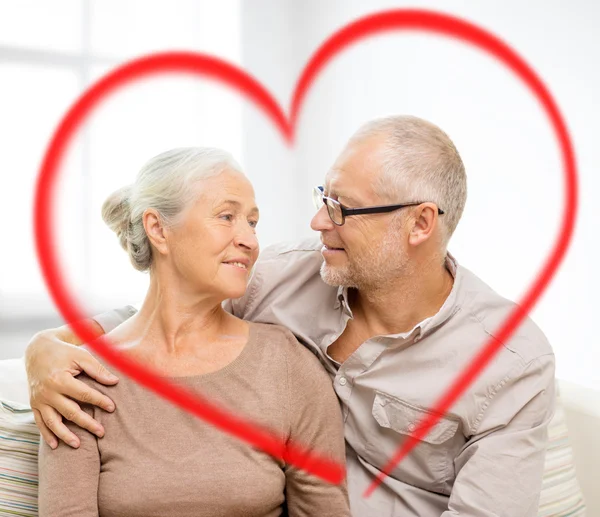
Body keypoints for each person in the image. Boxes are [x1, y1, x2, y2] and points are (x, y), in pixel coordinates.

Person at [27, 116, 555, 516]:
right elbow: (170, 312)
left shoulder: (510, 364)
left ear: (419, 224)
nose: (318, 220)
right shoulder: (285, 276)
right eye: (324, 196)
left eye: (342, 207)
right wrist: (46, 348)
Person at [35, 147, 350, 517]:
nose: (249, 240)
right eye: (226, 216)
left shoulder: (288, 365)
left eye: (252, 222)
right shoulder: (79, 380)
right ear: (157, 229)